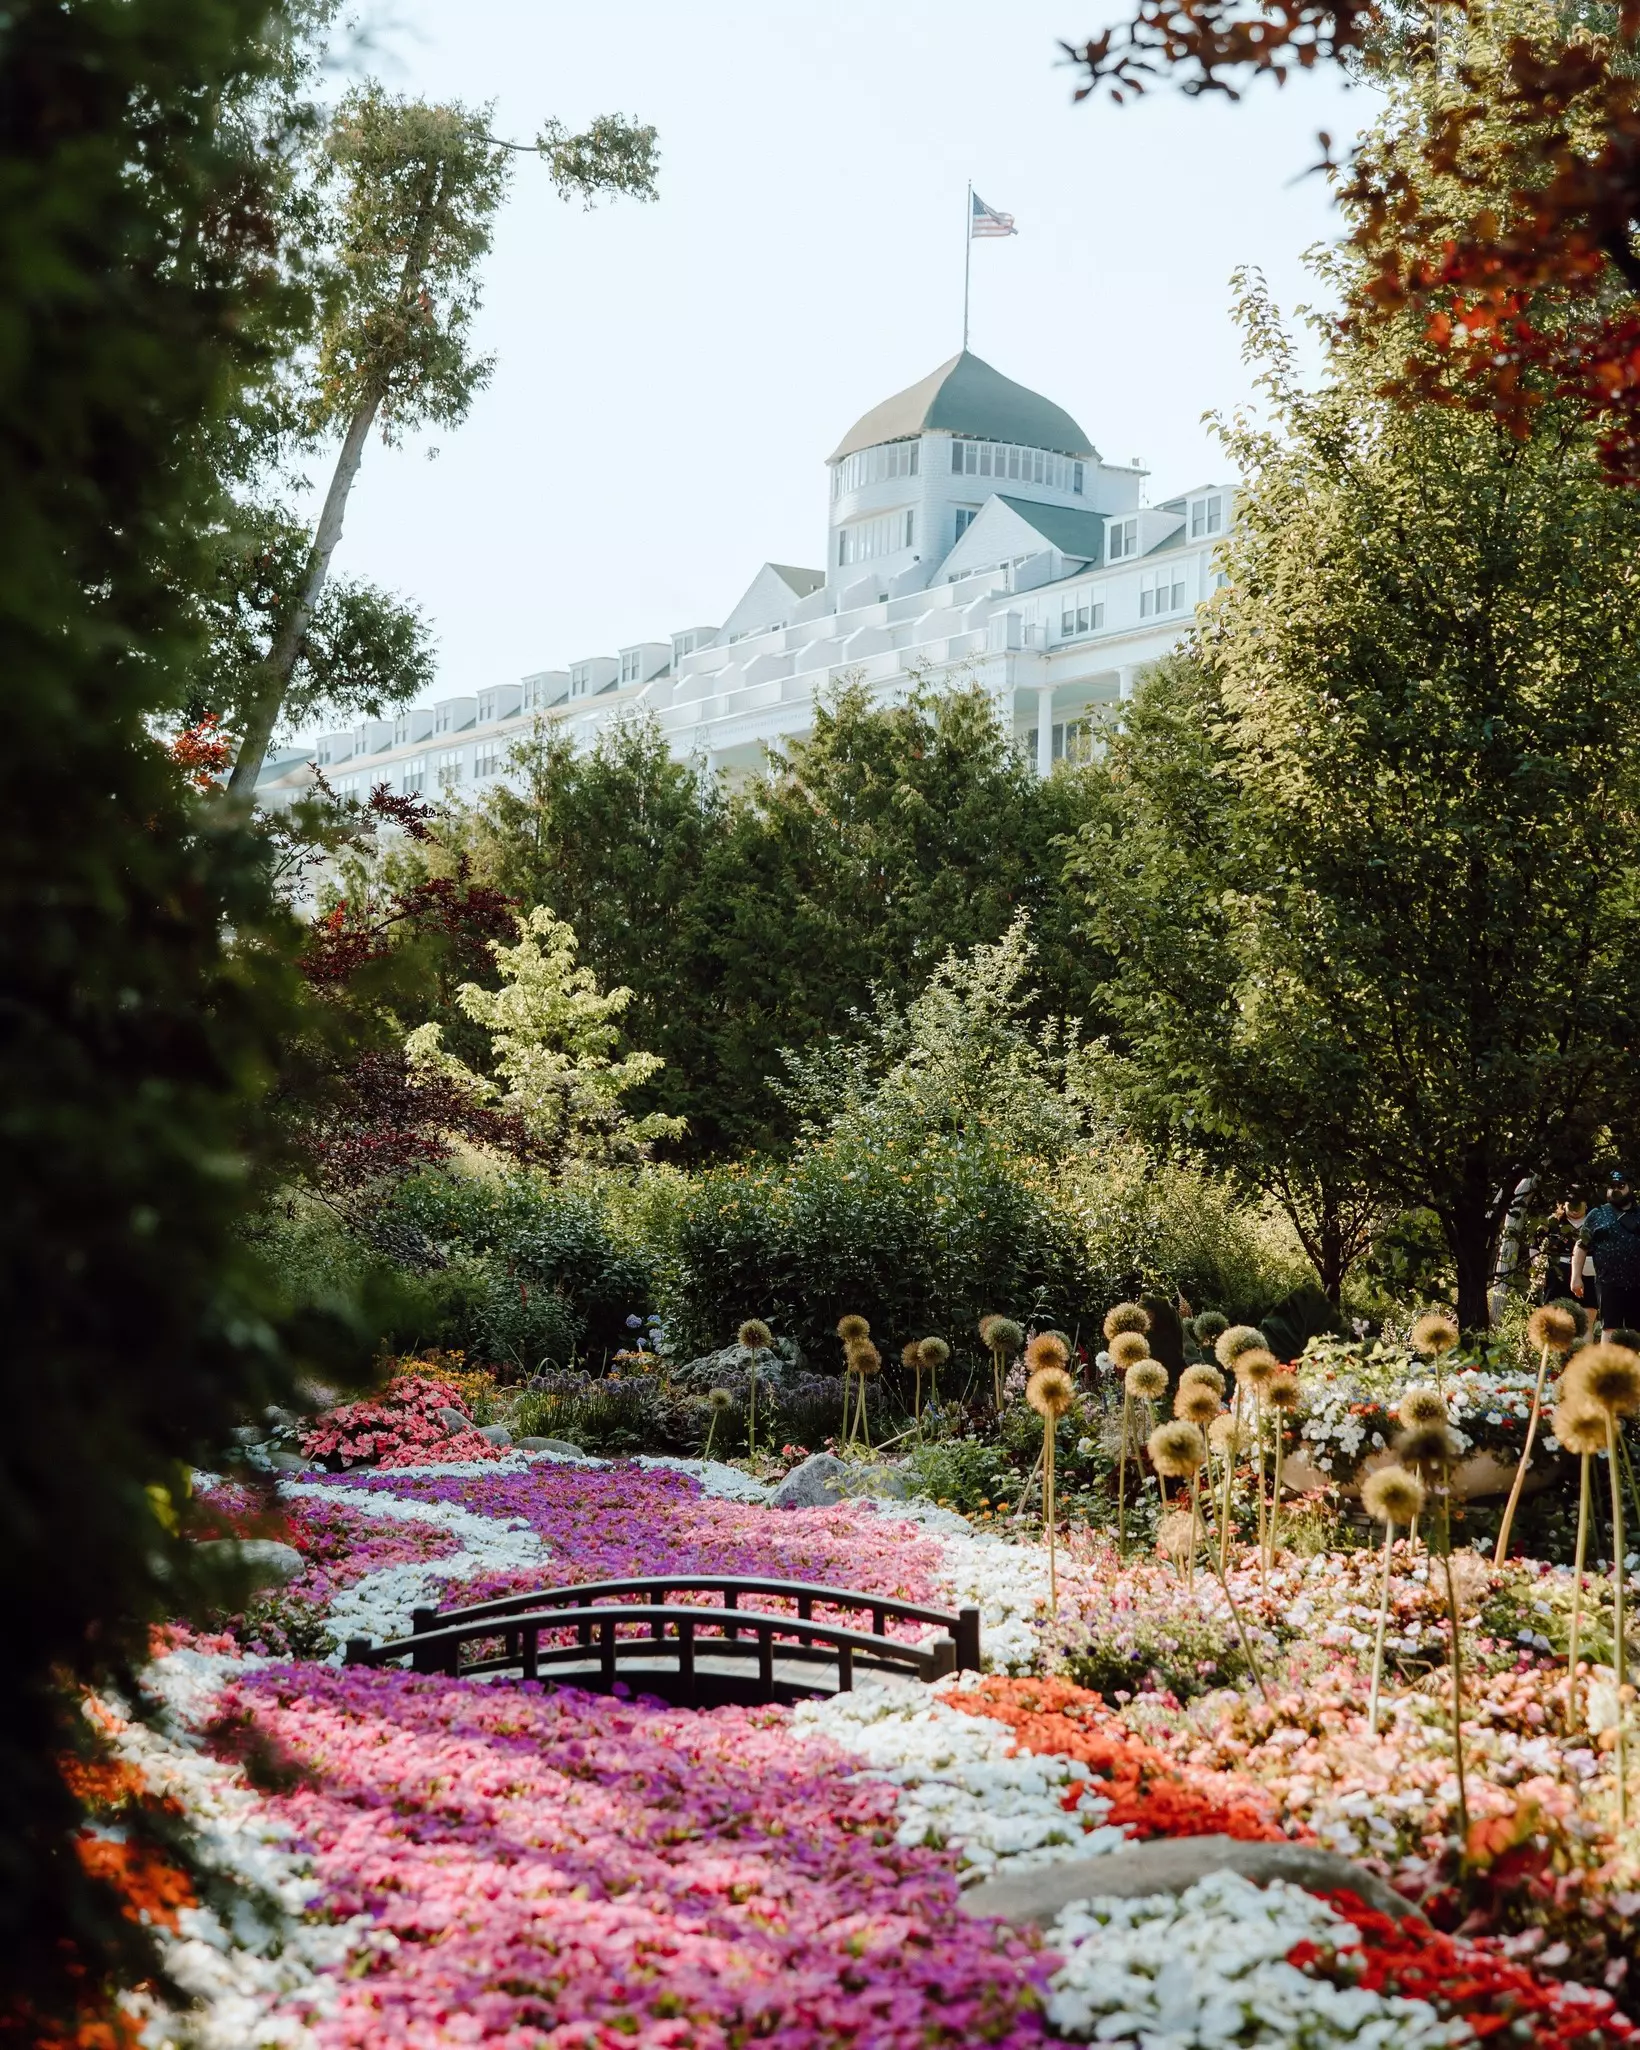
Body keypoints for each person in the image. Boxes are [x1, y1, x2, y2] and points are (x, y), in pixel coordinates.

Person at [1572, 1170, 1640, 1331]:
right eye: (1611, 1186)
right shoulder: (1597, 1214)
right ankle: (1607, 1358)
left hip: (1638, 1283)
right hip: (1608, 1283)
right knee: (1609, 1329)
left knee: (1637, 1331)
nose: (1615, 1189)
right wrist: (1576, 1276)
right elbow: (1581, 1246)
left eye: (1620, 1185)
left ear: (1630, 1187)